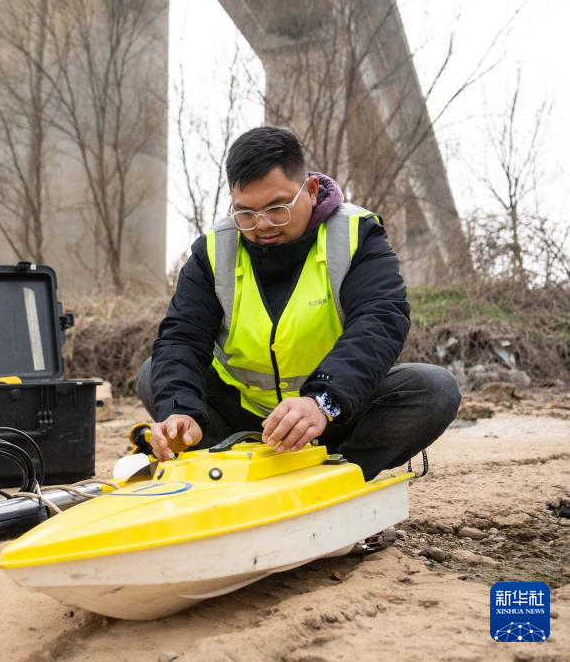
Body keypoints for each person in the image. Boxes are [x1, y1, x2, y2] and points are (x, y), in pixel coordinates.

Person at [138, 126, 461, 479]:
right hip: (241, 419)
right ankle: (228, 468)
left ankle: (336, 475)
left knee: (434, 390)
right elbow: (183, 336)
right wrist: (181, 411)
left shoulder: (356, 235)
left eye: (277, 208)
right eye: (245, 213)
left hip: (330, 416)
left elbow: (379, 321)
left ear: (310, 190)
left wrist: (322, 401)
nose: (262, 225)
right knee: (155, 376)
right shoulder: (214, 250)